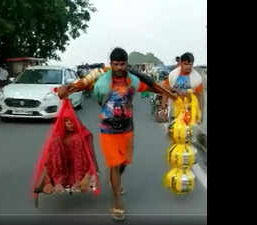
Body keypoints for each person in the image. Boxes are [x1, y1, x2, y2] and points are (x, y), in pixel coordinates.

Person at [56, 47, 168, 221]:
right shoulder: (101, 80)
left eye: (122, 64)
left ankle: (114, 180)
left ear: (126, 64)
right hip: (108, 130)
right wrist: (65, 88)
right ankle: (117, 201)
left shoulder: (133, 81)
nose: (119, 68)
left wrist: (172, 92)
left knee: (124, 162)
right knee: (115, 164)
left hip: (127, 129)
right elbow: (80, 85)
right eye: (115, 64)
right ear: (111, 64)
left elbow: (153, 88)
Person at [32, 99, 100, 198]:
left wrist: (87, 177)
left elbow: (91, 157)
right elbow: (48, 159)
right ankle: (57, 180)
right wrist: (47, 180)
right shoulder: (58, 135)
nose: (69, 124)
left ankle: (77, 179)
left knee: (77, 139)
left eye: (72, 121)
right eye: (66, 121)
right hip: (60, 169)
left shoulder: (85, 135)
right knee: (54, 141)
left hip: (79, 170)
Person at [161, 52, 204, 123]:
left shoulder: (197, 78)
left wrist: (201, 113)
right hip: (174, 107)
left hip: (189, 108)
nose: (188, 67)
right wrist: (163, 108)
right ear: (181, 63)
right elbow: (165, 90)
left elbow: (200, 96)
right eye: (186, 64)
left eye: (190, 64)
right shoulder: (173, 74)